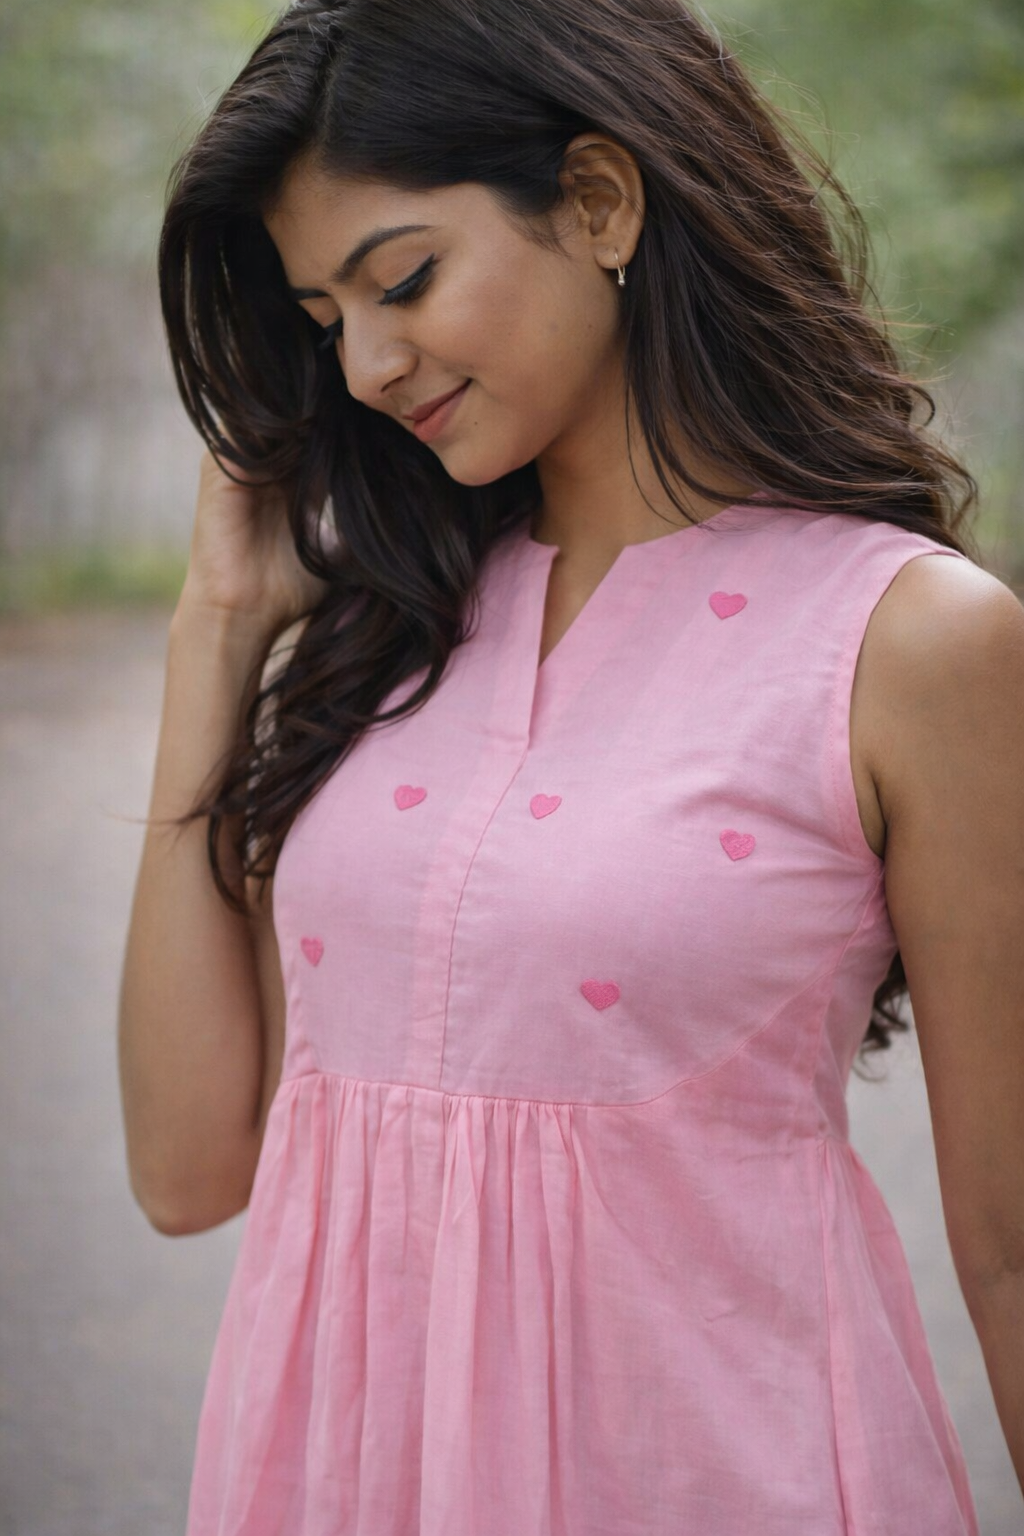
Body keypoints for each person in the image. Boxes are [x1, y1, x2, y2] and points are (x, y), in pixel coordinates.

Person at [117, 1, 1024, 1531]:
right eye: (327, 317)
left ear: (600, 202)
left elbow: (1009, 1238)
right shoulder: (389, 630)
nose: (368, 365)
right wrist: (218, 629)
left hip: (727, 1481)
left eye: (402, 278)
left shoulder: (908, 642)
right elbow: (191, 1165)